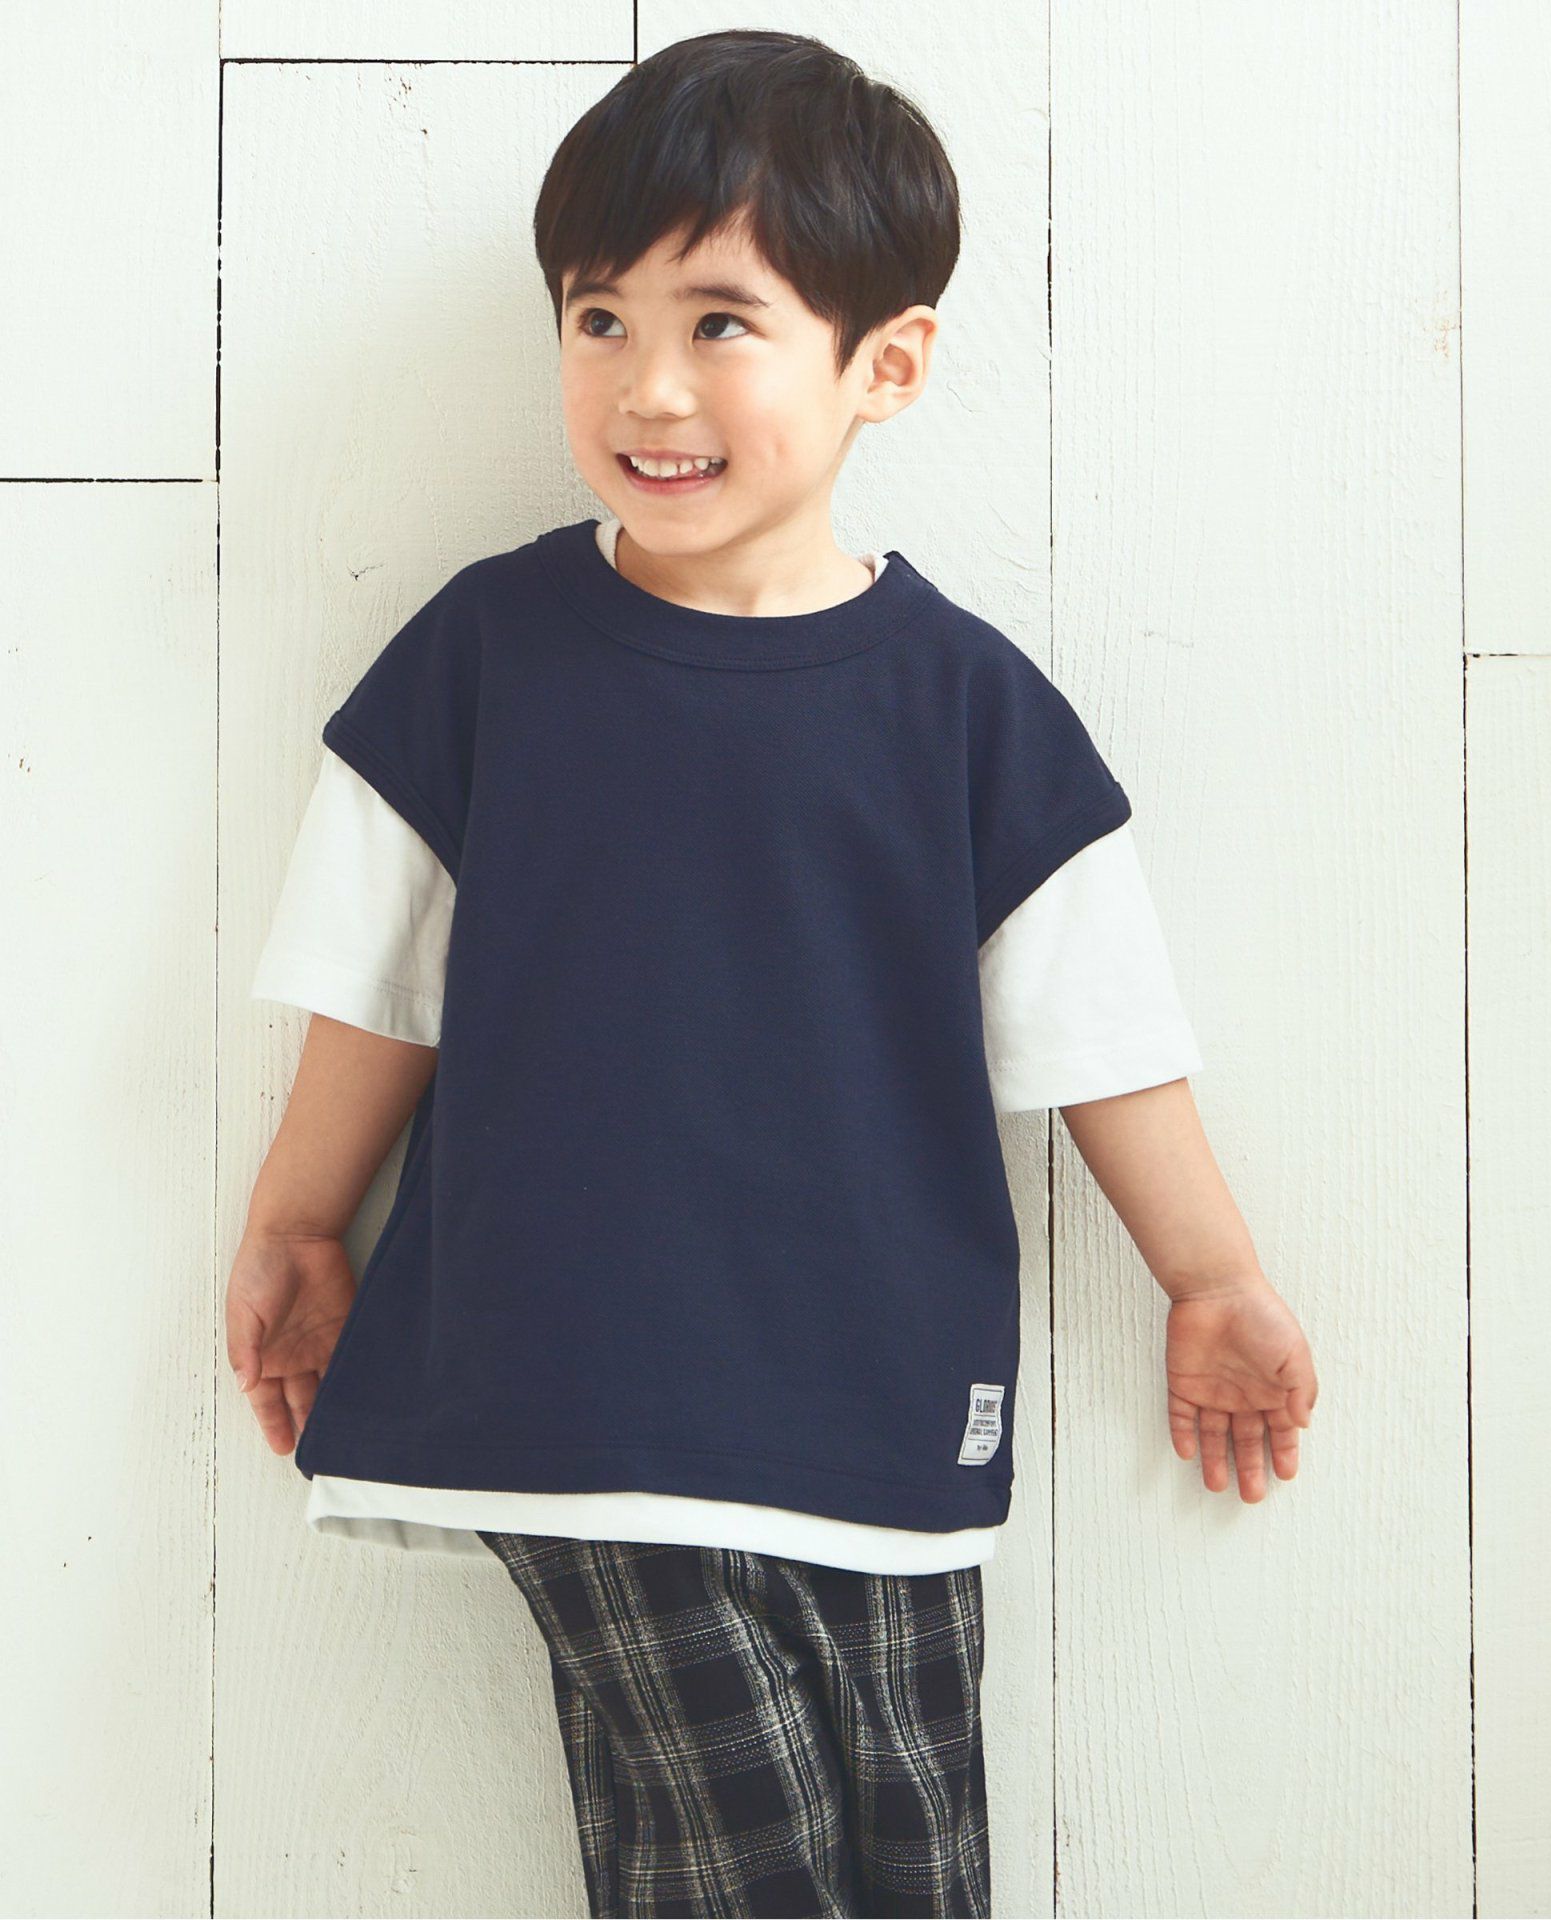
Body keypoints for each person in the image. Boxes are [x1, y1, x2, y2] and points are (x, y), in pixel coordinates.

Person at [228, 27, 1319, 1919]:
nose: (646, 384)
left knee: (913, 1851)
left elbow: (1099, 1030)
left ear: (884, 362)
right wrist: (301, 1219)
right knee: (756, 1866)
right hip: (564, 1377)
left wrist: (1211, 1275)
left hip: (876, 1396)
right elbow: (375, 980)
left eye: (720, 322)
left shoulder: (966, 708)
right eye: (597, 318)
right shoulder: (486, 657)